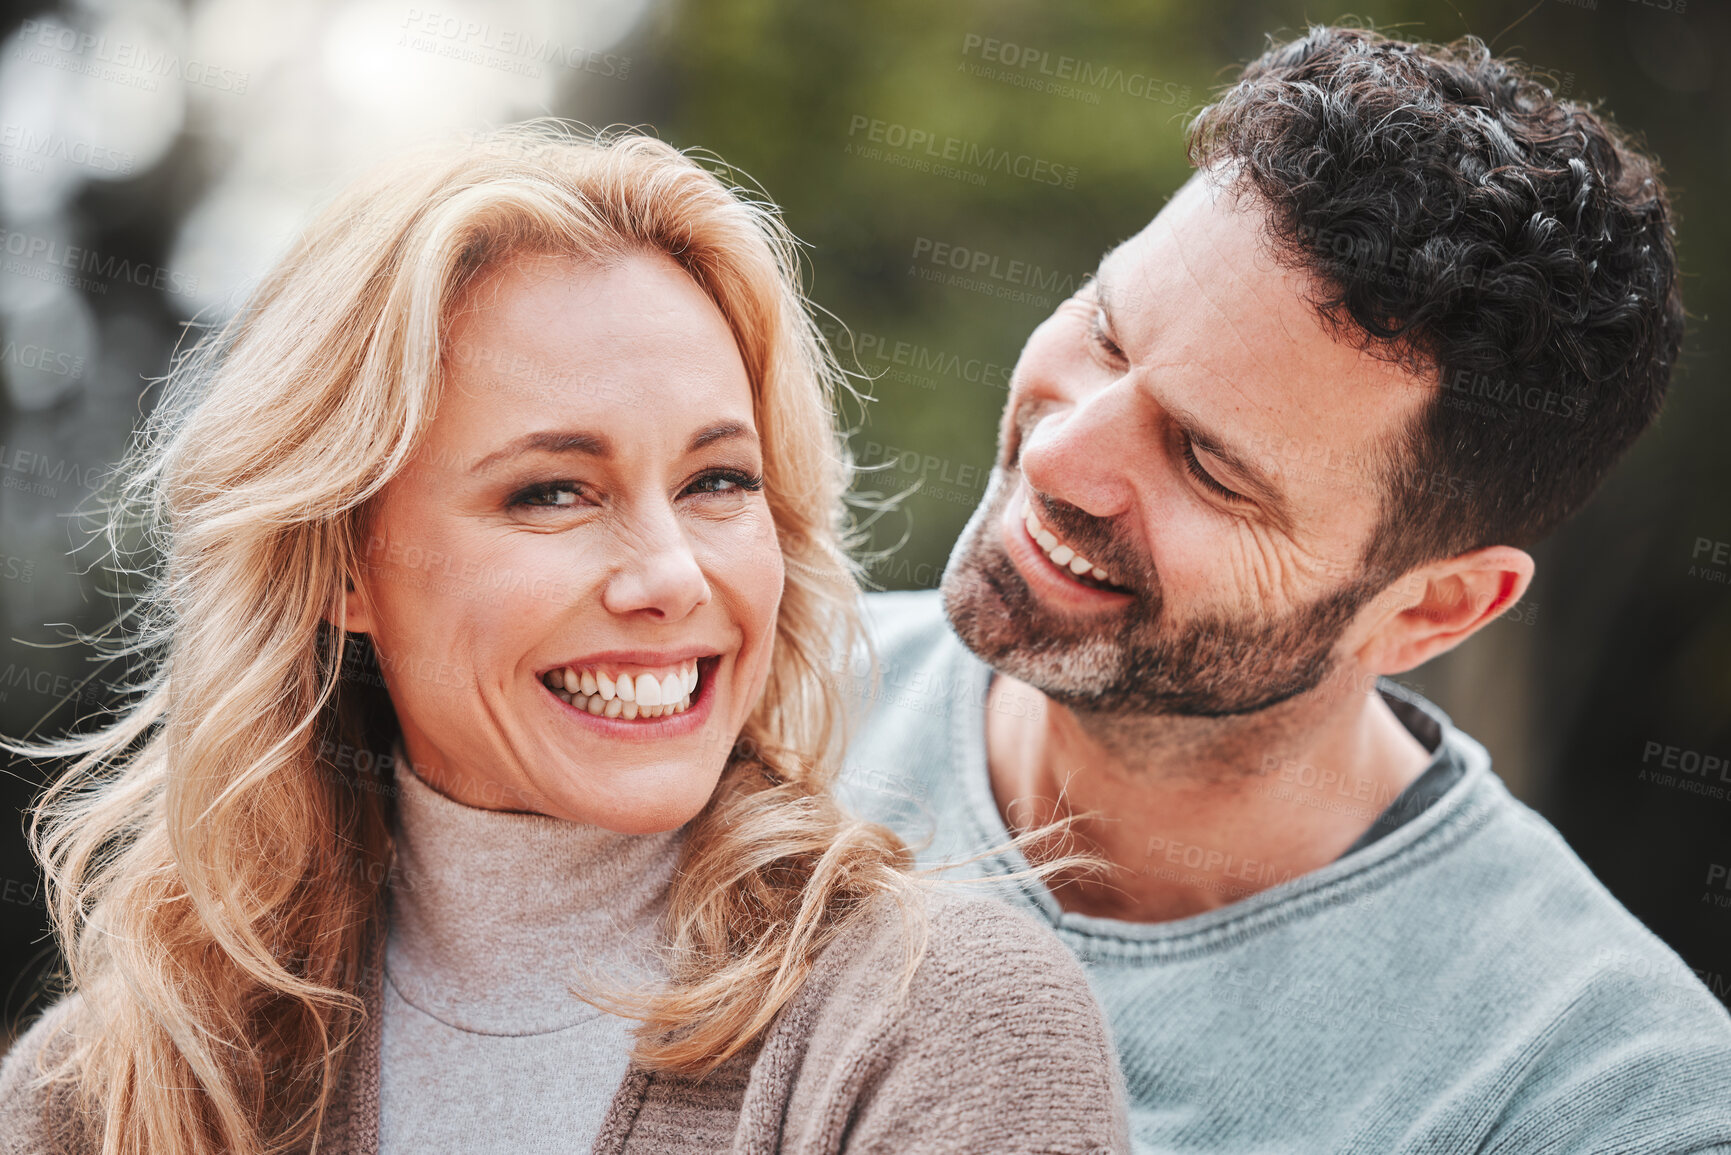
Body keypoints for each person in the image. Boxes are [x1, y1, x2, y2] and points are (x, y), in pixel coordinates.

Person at [0, 125, 1129, 1155]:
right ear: (342, 563)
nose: (672, 577)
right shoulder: (101, 1088)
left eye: (717, 480)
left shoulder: (941, 1024)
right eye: (553, 493)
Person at [837, 26, 1731, 1154]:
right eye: (1105, 333)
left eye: (1210, 465)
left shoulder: (1590, 1103)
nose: (1064, 459)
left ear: (1430, 610)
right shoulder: (728, 710)